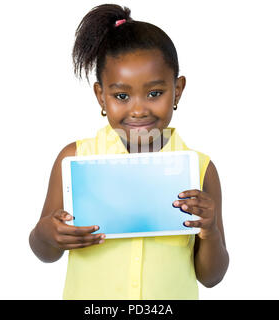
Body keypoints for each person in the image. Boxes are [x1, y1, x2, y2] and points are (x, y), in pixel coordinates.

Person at [29, 3, 229, 300]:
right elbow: (45, 252)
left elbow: (212, 277)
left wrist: (209, 231)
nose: (138, 110)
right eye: (121, 96)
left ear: (178, 90)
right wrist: (49, 234)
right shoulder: (76, 158)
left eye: (154, 93)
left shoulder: (199, 169)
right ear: (101, 96)